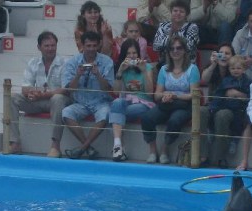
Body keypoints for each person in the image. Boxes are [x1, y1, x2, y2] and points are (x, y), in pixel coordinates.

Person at [141, 33, 201, 163]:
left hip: (184, 105)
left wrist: (175, 95)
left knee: (175, 120)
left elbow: (194, 95)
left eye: (179, 48)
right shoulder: (164, 69)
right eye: (172, 48)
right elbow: (157, 94)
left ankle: (165, 150)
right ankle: (152, 151)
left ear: (184, 50)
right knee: (146, 118)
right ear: (168, 52)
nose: (175, 51)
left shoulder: (193, 69)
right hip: (166, 103)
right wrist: (165, 95)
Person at [9, 31, 69, 157]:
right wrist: (33, 93)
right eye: (47, 46)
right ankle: (15, 142)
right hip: (38, 100)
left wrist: (41, 95)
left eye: (53, 45)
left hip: (57, 102)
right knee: (13, 98)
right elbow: (25, 88)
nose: (50, 49)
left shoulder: (65, 63)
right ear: (39, 47)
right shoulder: (33, 62)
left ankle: (55, 146)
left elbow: (65, 89)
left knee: (58, 98)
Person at [61, 30, 114, 159]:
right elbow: (69, 89)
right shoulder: (72, 62)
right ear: (82, 45)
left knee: (105, 114)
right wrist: (78, 75)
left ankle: (81, 148)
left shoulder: (107, 62)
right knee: (66, 113)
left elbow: (108, 89)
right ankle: (88, 147)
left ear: (99, 45)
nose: (91, 49)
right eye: (88, 45)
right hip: (80, 103)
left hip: (101, 102)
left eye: (94, 45)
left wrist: (98, 74)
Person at [109, 38, 154, 161]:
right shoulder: (123, 68)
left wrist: (143, 71)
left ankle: (120, 148)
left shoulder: (147, 67)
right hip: (128, 101)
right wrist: (120, 72)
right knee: (116, 103)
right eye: (128, 53)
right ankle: (118, 145)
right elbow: (116, 92)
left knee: (113, 114)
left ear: (138, 54)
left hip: (144, 103)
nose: (132, 56)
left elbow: (150, 93)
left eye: (134, 53)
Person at [206, 54, 250, 166]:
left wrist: (239, 95)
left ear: (244, 69)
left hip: (240, 108)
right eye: (232, 68)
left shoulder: (247, 82)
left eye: (238, 68)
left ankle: (234, 140)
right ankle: (211, 131)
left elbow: (249, 96)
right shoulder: (226, 81)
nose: (235, 70)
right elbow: (219, 94)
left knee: (239, 121)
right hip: (225, 105)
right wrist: (213, 107)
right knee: (213, 112)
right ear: (229, 69)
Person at [153, 0, 199, 66]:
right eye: (175, 11)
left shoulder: (192, 27)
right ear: (171, 12)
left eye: (181, 11)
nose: (178, 13)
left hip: (186, 65)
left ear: (186, 15)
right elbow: (155, 46)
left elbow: (188, 46)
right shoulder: (163, 26)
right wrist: (170, 33)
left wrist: (175, 33)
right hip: (165, 64)